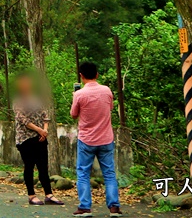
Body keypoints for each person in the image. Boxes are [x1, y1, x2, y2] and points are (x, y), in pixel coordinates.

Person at [71, 62, 121, 216]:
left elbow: (73, 114)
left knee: (83, 173)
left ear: (81, 75)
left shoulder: (79, 94)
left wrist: (75, 97)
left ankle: (85, 207)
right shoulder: (107, 91)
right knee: (109, 173)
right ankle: (114, 207)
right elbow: (110, 108)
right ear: (97, 74)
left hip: (86, 139)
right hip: (106, 138)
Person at [13, 74, 63, 206]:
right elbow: (23, 120)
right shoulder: (17, 101)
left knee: (43, 167)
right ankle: (31, 195)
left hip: (40, 138)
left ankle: (49, 194)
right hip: (25, 139)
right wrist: (38, 130)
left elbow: (45, 115)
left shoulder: (36, 99)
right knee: (29, 166)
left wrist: (44, 130)